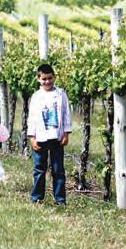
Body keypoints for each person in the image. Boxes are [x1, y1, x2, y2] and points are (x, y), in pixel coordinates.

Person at [27, 64, 72, 205]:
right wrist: (32, 137)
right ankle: (37, 197)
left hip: (57, 137)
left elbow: (66, 114)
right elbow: (32, 117)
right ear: (38, 79)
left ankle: (60, 199)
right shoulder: (36, 96)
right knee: (39, 169)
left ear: (54, 77)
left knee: (58, 169)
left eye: (50, 78)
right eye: (44, 79)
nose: (47, 82)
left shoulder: (61, 94)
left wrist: (66, 133)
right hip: (41, 137)